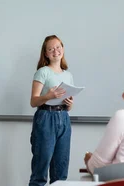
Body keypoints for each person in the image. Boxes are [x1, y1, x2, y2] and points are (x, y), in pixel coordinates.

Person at [28, 35, 75, 186]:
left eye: (58, 47)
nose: (55, 51)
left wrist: (70, 104)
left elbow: (70, 105)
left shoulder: (68, 75)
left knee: (61, 170)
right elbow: (33, 101)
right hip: (45, 118)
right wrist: (48, 95)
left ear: (63, 49)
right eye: (51, 49)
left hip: (64, 119)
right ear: (46, 54)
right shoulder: (42, 72)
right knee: (40, 169)